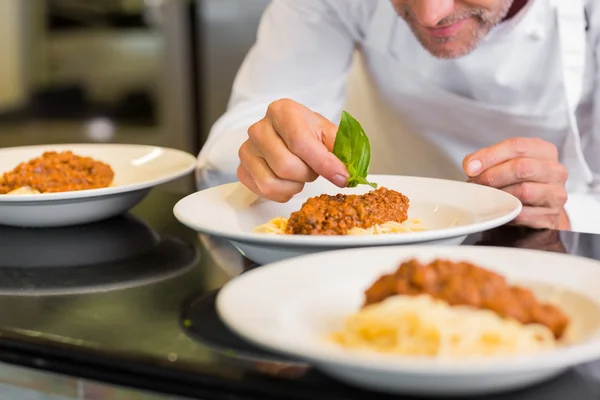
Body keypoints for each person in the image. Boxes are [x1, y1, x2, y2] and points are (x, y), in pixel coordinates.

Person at [197, 0, 600, 234]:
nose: (429, 14)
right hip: (381, 247)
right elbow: (227, 152)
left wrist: (566, 215)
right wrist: (266, 151)